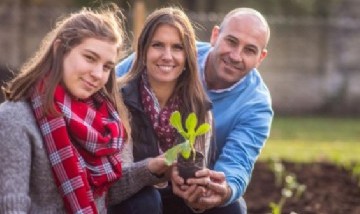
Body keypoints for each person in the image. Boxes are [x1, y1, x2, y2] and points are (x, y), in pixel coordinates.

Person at [115, 7, 273, 214]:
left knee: (232, 208)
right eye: (231, 41)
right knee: (146, 201)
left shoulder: (256, 105)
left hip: (188, 182)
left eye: (249, 50)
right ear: (215, 36)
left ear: (261, 58)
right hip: (136, 178)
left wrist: (219, 190)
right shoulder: (173, 55)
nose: (236, 56)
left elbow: (238, 162)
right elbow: (111, 85)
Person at [0, 5, 132, 213]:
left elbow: (105, 193)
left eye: (107, 67)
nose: (98, 74)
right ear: (59, 49)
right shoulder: (15, 117)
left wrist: (155, 168)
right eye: (89, 58)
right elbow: (11, 207)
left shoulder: (103, 120)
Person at [107, 7, 215, 214]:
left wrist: (197, 195)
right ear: (143, 50)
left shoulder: (200, 108)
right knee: (146, 200)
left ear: (187, 56)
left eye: (177, 47)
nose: (167, 56)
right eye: (158, 45)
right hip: (131, 203)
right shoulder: (118, 99)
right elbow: (113, 187)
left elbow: (198, 173)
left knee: (232, 206)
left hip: (178, 200)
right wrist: (150, 169)